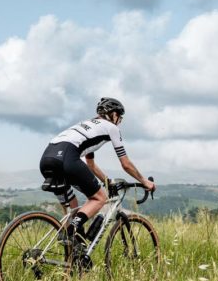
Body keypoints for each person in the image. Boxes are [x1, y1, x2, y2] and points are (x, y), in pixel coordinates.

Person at [39, 97, 155, 244]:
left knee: (72, 206)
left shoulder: (87, 125)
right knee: (100, 198)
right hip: (67, 158)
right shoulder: (112, 128)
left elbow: (90, 164)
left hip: (47, 159)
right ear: (113, 115)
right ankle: (71, 231)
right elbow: (125, 164)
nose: (120, 121)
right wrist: (144, 181)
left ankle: (74, 254)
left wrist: (107, 181)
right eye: (120, 116)